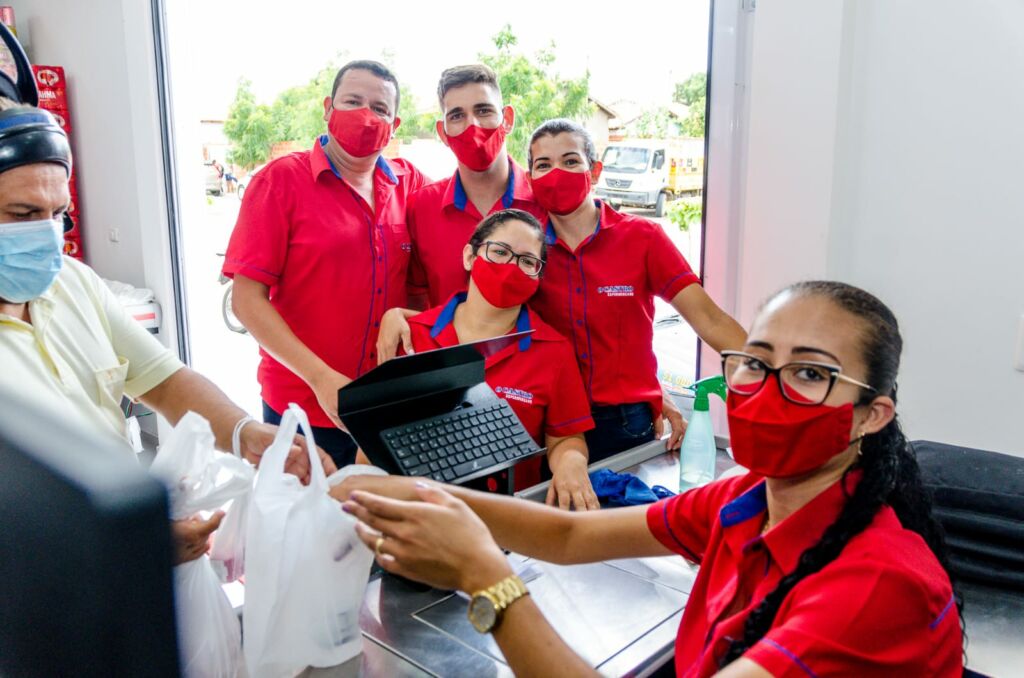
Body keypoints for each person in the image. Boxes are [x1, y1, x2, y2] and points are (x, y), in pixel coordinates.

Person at [334, 281, 964, 677]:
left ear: (870, 415)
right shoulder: (748, 500)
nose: (766, 391)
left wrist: (488, 583)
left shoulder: (876, 587)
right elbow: (569, 538)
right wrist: (420, 493)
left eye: (810, 375)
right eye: (755, 362)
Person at [0, 103, 335, 565]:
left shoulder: (73, 283)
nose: (45, 236)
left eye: (58, 214)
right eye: (21, 214)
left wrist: (248, 435)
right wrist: (122, 540)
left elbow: (166, 382)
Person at [222, 59, 427, 468]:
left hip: (385, 407)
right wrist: (320, 377)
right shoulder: (280, 182)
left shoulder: (411, 185)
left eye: (380, 108)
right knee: (301, 527)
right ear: (327, 108)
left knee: (376, 529)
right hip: (302, 407)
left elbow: (424, 284)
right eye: (353, 101)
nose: (366, 116)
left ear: (396, 123)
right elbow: (247, 300)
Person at [404, 209, 598, 509]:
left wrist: (571, 463)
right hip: (417, 512)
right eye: (499, 252)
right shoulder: (411, 336)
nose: (511, 267)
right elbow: (373, 439)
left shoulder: (553, 351)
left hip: (510, 517)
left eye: (527, 261)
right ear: (469, 256)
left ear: (538, 276)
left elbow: (565, 438)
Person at [399, 63, 546, 312]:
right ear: (443, 133)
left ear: (507, 119)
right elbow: (416, 300)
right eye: (456, 116)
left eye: (484, 110)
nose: (472, 125)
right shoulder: (420, 207)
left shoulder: (545, 201)